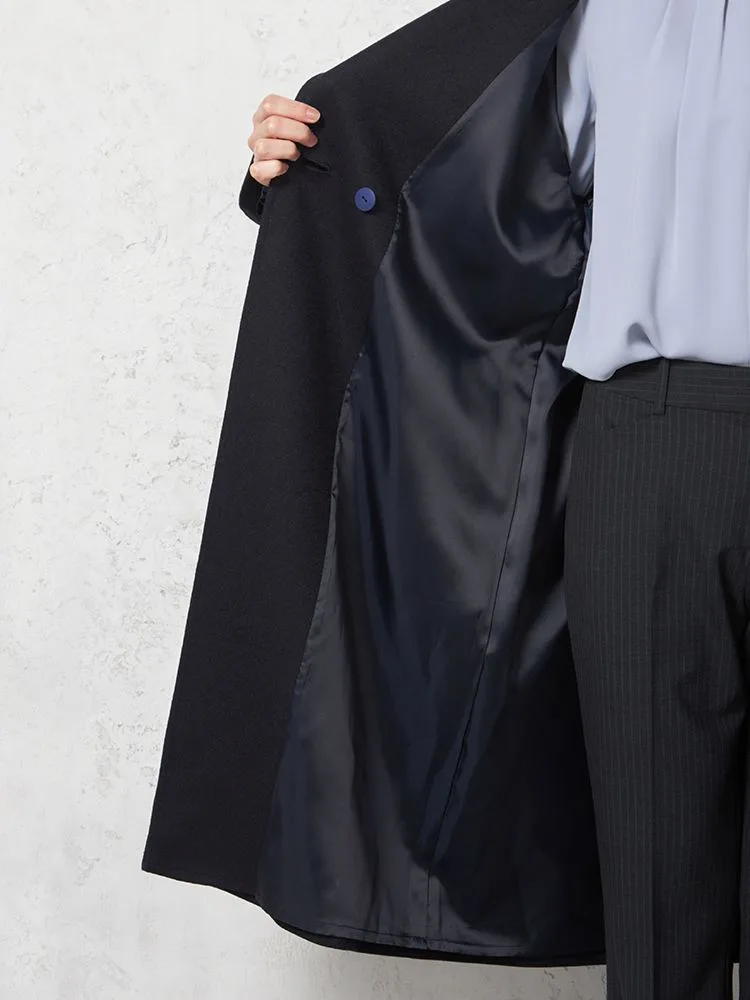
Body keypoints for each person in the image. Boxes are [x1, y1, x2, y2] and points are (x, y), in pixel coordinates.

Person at [245, 2, 750, 998]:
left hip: (658, 449)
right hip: (653, 451)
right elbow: (443, 182)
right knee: (661, 903)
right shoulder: (594, 13)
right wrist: (308, 169)